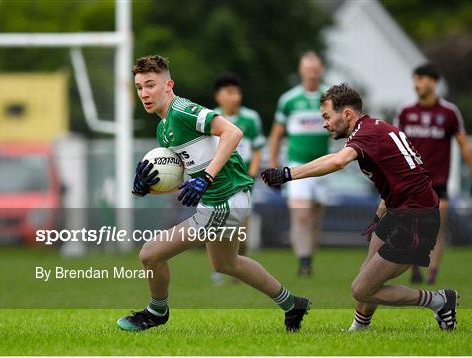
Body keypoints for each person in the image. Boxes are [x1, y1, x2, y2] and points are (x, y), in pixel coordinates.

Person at [116, 55, 310, 332]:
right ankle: (293, 304)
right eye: (139, 88)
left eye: (150, 85)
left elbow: (233, 132)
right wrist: (146, 190)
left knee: (150, 254)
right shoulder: (163, 129)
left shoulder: (182, 110)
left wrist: (206, 178)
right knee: (226, 263)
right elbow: (183, 181)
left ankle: (156, 312)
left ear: (168, 84)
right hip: (219, 199)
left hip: (225, 200)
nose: (144, 93)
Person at [261, 83, 459, 331]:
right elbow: (402, 177)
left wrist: (287, 174)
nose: (324, 124)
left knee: (362, 288)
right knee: (368, 274)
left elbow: (336, 161)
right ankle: (361, 326)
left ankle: (440, 301)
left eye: (326, 116)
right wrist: (379, 217)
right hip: (400, 212)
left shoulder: (366, 134)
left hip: (416, 218)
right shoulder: (374, 129)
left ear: (346, 114)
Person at [394, 63, 472, 284]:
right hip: (411, 180)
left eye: (421, 79)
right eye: (415, 79)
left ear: (433, 82)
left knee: (436, 228)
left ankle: (432, 274)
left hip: (438, 181)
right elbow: (394, 144)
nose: (417, 84)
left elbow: (463, 144)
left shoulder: (449, 112)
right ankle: (415, 268)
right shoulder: (406, 112)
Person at [268, 51, 329, 276]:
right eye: (308, 69)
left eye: (315, 69)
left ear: (320, 70)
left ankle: (309, 258)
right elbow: (277, 134)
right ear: (301, 71)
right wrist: (274, 165)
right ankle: (303, 261)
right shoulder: (289, 99)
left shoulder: (329, 96)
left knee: (315, 218)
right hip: (296, 165)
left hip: (324, 165)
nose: (312, 74)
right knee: (301, 214)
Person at [210, 72, 266, 285]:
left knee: (241, 229)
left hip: (243, 181)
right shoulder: (211, 118)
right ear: (219, 96)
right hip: (220, 181)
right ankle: (219, 268)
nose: (235, 97)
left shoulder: (250, 118)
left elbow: (258, 146)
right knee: (215, 225)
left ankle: (237, 266)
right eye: (230, 92)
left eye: (237, 92)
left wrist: (252, 172)